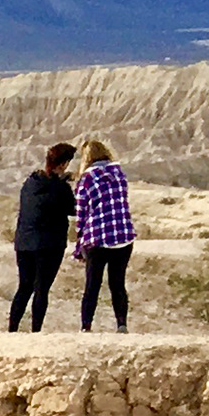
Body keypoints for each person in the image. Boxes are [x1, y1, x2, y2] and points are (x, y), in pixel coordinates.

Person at [11, 141, 75, 331]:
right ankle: (36, 330)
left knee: (24, 287)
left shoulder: (30, 183)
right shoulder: (60, 188)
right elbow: (73, 209)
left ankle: (12, 329)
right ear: (63, 164)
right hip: (49, 245)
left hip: (24, 243)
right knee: (41, 289)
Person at [73, 138, 135, 332]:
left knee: (92, 285)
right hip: (124, 236)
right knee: (118, 284)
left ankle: (86, 326)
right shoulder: (119, 174)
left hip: (98, 238)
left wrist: (79, 245)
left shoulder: (87, 179)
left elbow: (81, 214)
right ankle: (122, 324)